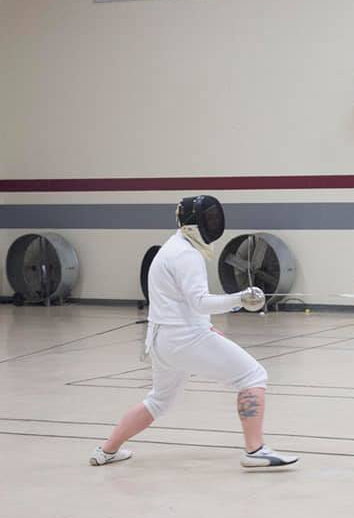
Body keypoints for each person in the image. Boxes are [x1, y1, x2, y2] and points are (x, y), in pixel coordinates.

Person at [90, 195, 298, 469]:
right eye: (209, 219)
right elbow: (199, 301)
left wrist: (207, 326)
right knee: (252, 376)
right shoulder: (186, 254)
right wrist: (240, 298)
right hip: (184, 339)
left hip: (162, 340)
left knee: (158, 400)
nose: (213, 224)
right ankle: (254, 450)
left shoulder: (173, 247)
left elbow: (179, 302)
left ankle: (107, 450)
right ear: (195, 223)